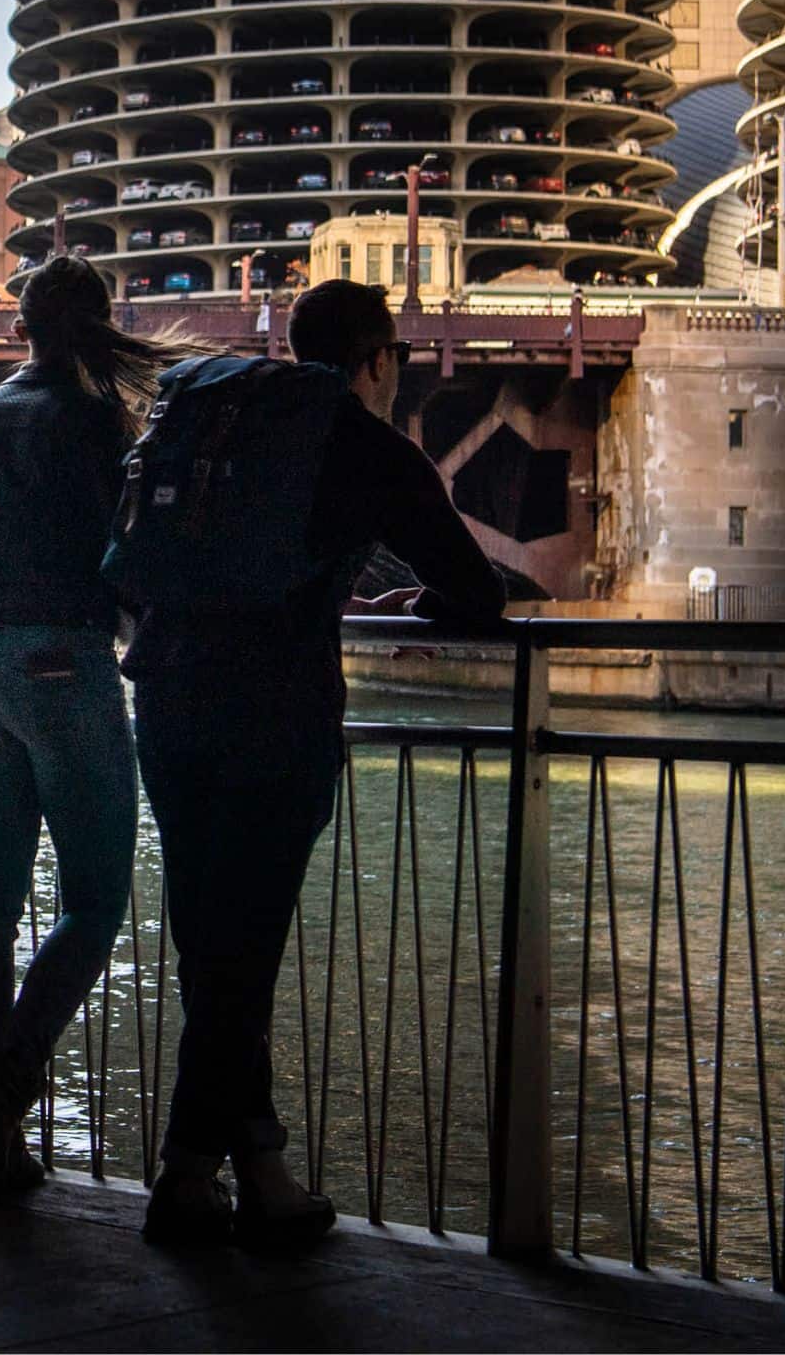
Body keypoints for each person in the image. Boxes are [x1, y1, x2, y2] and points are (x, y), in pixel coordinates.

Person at [124, 279, 505, 1251]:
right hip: (273, 718)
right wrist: (398, 604)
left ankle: (262, 1172)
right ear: (377, 360)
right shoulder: (367, 443)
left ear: (295, 345)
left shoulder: (223, 422)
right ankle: (183, 1174)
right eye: (397, 363)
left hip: (165, 696)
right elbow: (473, 591)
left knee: (210, 947)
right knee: (239, 959)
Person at [0, 255, 207, 1201]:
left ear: (20, 326)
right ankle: (5, 1084)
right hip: (66, 662)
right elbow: (137, 552)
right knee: (94, 899)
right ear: (100, 323)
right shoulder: (103, 423)